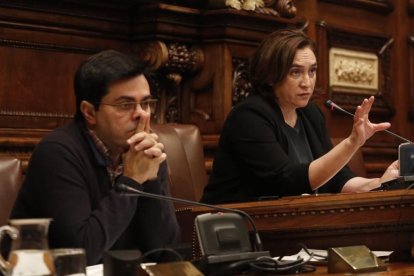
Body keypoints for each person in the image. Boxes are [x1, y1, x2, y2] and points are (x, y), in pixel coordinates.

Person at [11, 50, 180, 265]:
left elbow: (166, 252)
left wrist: (150, 176)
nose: (142, 114)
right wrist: (132, 181)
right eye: (125, 105)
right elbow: (82, 252)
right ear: (89, 112)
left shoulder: (146, 152)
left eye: (146, 103)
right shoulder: (57, 153)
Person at [201, 28, 399, 204]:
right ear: (271, 75)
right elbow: (288, 182)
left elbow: (338, 179)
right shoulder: (249, 117)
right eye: (295, 72)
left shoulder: (310, 113)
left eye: (312, 71)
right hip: (232, 228)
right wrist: (352, 142)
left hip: (287, 223)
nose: (307, 82)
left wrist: (381, 183)